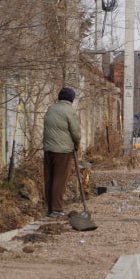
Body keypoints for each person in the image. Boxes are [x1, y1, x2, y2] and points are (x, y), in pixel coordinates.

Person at [42, 86, 81, 218]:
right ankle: (57, 209)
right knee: (59, 180)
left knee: (49, 178)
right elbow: (76, 133)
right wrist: (76, 146)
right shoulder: (69, 111)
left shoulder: (51, 109)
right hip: (62, 151)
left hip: (48, 150)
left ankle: (50, 209)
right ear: (71, 99)